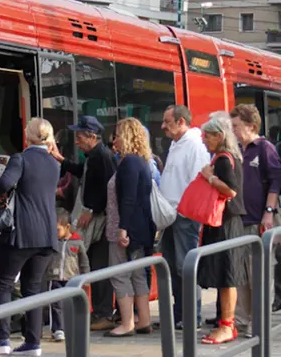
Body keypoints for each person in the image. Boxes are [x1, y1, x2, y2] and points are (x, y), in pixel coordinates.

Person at [0, 118, 61, 356]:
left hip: (22, 234)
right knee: (33, 289)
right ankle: (33, 343)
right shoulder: (54, 163)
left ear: (30, 135)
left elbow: (4, 184)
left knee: (3, 282)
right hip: (47, 235)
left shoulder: (21, 158)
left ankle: (2, 340)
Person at [49, 115, 117, 331]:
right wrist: (61, 160)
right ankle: (99, 311)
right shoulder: (93, 155)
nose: (76, 141)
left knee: (98, 265)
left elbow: (108, 188)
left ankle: (103, 313)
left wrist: (91, 209)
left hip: (98, 219)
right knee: (94, 263)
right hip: (93, 215)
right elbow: (82, 171)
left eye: (79, 137)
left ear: (92, 136)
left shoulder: (102, 156)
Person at [196, 112, 248, 345]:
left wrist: (209, 178)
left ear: (219, 135)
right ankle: (226, 324)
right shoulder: (229, 156)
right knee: (225, 274)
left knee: (227, 276)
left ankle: (227, 325)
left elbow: (231, 191)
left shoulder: (224, 160)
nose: (204, 139)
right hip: (225, 223)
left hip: (225, 224)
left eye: (207, 135)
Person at [229, 104, 281, 337]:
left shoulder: (264, 148)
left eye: (236, 126)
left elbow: (275, 182)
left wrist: (268, 211)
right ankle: (241, 320)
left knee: (258, 275)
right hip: (238, 220)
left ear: (251, 126)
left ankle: (259, 322)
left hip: (257, 220)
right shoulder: (236, 150)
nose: (233, 131)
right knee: (240, 274)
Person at [104, 117, 156, 337]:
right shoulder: (142, 161)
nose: (114, 139)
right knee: (137, 274)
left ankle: (127, 323)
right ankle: (143, 320)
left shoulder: (128, 163)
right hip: (143, 227)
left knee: (120, 274)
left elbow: (128, 198)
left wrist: (122, 229)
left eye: (117, 134)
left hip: (124, 227)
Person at [159, 105, 210, 330]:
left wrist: (183, 209)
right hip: (170, 215)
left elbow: (196, 182)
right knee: (172, 265)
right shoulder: (175, 144)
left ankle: (192, 316)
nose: (163, 126)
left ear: (181, 122)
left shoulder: (195, 145)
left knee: (185, 266)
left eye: (167, 122)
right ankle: (180, 313)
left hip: (184, 216)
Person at [45, 208, 90, 342]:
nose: (55, 233)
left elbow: (84, 261)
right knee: (56, 304)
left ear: (67, 227)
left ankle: (72, 326)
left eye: (58, 230)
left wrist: (86, 277)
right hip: (54, 278)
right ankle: (58, 329)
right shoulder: (52, 242)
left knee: (71, 304)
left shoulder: (77, 242)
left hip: (72, 279)